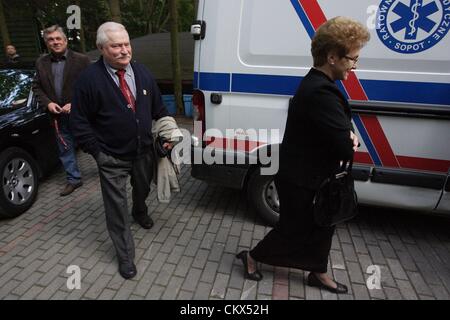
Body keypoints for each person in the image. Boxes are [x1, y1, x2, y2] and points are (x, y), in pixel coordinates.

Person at [236, 16, 370, 294]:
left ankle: (317, 272)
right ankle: (252, 257)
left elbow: (338, 128)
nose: (355, 66)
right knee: (293, 231)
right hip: (302, 179)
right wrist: (348, 137)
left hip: (318, 177)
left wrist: (347, 132)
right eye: (352, 59)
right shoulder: (320, 92)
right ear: (332, 57)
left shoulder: (320, 85)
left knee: (324, 227)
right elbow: (345, 145)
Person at [70, 22, 171, 280]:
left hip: (143, 151)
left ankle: (140, 210)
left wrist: (168, 134)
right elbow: (79, 122)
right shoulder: (88, 80)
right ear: (102, 48)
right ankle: (125, 256)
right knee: (116, 208)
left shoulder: (143, 72)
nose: (124, 50)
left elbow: (159, 109)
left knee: (143, 187)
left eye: (126, 44)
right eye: (116, 46)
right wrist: (98, 153)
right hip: (110, 156)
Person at [33, 25, 90, 196]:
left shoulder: (82, 60)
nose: (55, 42)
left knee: (93, 144)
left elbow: (91, 87)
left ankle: (109, 171)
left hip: (81, 114)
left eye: (58, 38)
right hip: (57, 116)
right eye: (51, 39)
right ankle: (74, 179)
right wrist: (48, 103)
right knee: (65, 148)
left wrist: (75, 103)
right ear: (46, 43)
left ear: (65, 40)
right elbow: (36, 87)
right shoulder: (41, 62)